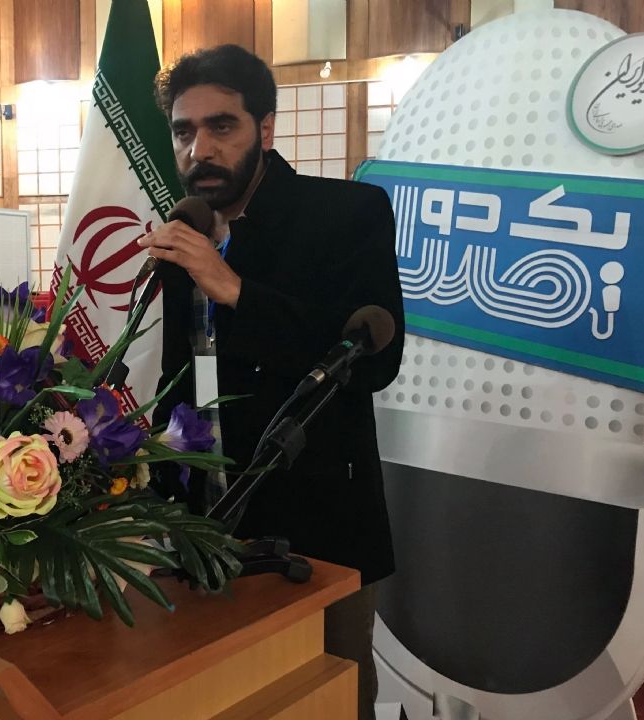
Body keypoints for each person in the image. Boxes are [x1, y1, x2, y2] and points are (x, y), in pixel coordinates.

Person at [140, 44, 404, 720]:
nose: (200, 148)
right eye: (183, 131)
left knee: (329, 698)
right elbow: (181, 376)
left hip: (319, 529)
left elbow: (375, 361)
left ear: (265, 128)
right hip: (204, 526)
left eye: (221, 126)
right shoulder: (186, 229)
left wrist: (234, 288)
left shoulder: (347, 213)